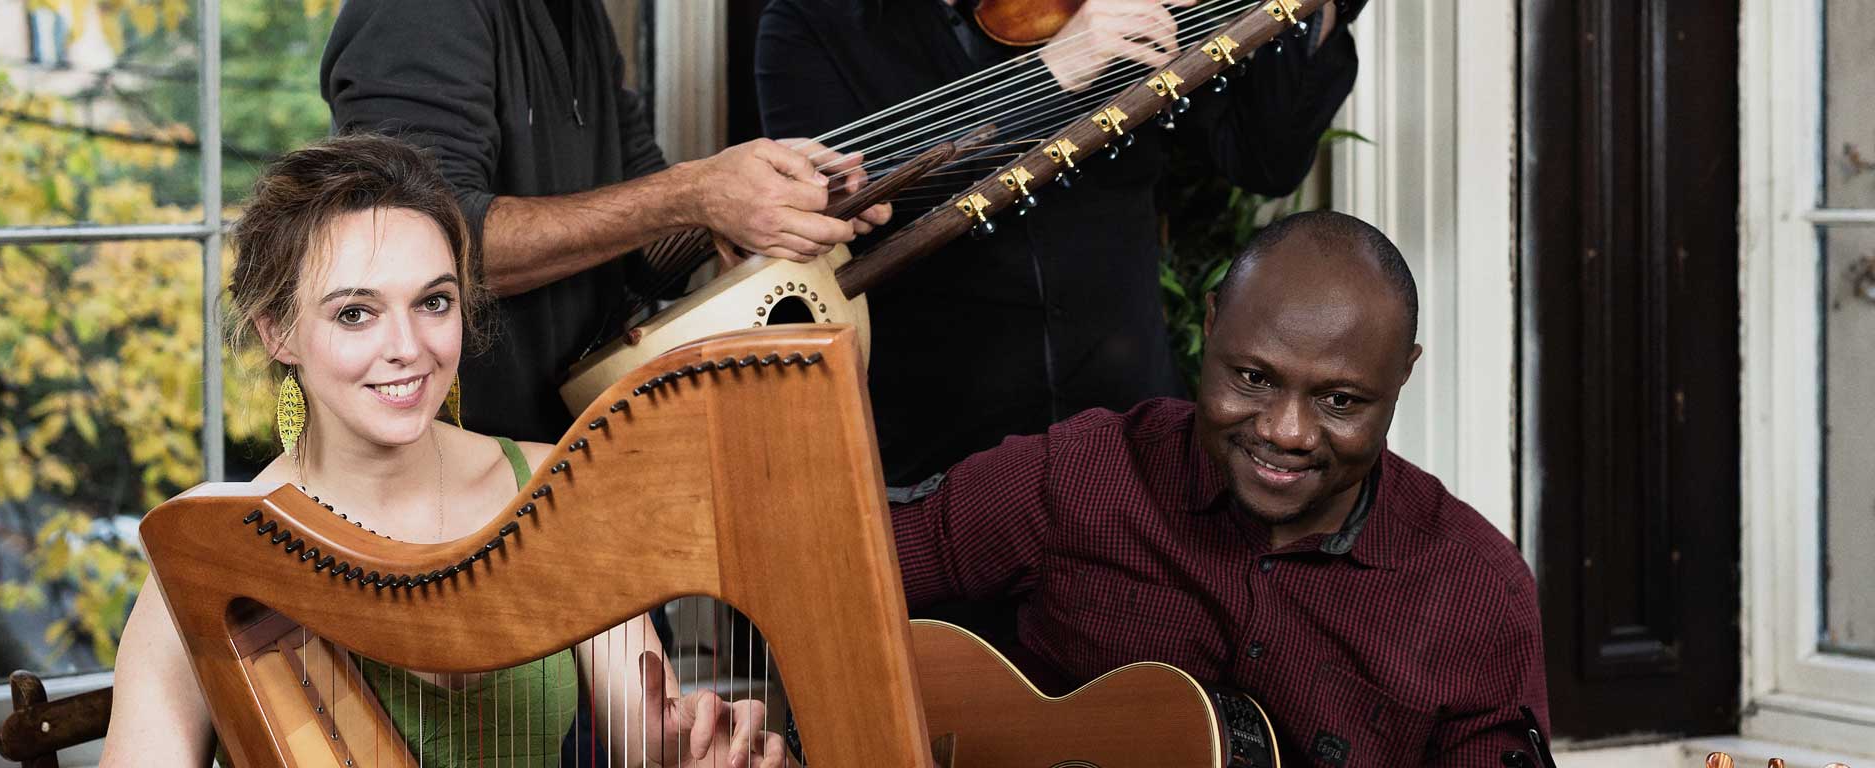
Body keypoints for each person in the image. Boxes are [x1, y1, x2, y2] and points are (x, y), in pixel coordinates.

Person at [104, 135, 783, 768]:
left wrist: (697, 746)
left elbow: (648, 738)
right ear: (278, 332)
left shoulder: (557, 488)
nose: (407, 346)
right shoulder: (207, 556)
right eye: (354, 312)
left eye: (433, 302)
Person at [888, 211, 1550, 766]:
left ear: (1402, 374)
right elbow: (825, 571)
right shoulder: (1079, 474)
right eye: (1254, 379)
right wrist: (783, 718)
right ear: (1211, 324)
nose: (1286, 432)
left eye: (1340, 400)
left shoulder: (1477, 595)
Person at [756, 0, 1364, 488]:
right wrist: (1054, 74)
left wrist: (1320, 8)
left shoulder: (1121, 9)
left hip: (1129, 434)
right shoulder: (810, 21)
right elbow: (843, 208)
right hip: (934, 451)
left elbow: (1262, 160)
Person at [320, 0, 892, 444]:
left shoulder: (580, 13)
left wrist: (769, 195)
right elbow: (428, 248)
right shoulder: (420, 13)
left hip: (574, 448)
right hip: (448, 475)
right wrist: (697, 191)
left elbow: (646, 240)